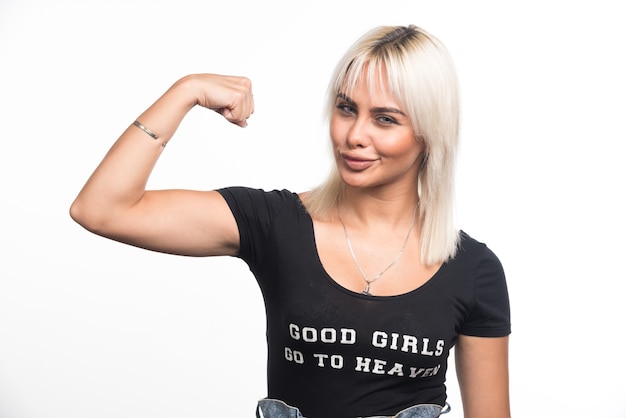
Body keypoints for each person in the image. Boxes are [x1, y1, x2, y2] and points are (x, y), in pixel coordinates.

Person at [70, 25, 511, 418]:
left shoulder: (474, 270)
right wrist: (185, 91)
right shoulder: (276, 223)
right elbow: (101, 209)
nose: (355, 135)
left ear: (430, 132)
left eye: (385, 119)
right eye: (345, 108)